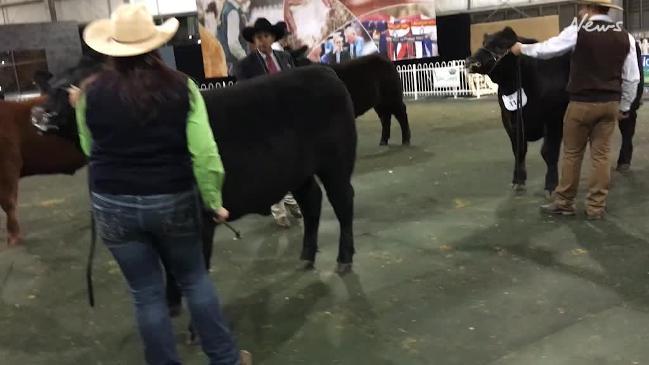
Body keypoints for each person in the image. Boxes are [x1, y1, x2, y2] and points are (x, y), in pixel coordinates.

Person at [73, 4, 251, 364]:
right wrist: (214, 200)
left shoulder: (89, 94)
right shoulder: (182, 87)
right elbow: (204, 154)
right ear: (155, 46)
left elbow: (91, 148)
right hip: (171, 200)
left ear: (112, 48)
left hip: (112, 205)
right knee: (194, 281)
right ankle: (225, 359)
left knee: (145, 294)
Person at [510, 0, 640, 220]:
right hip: (609, 105)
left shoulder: (579, 30)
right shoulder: (624, 35)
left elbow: (548, 49)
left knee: (572, 154)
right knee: (600, 156)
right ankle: (596, 207)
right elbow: (632, 77)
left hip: (581, 103)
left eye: (582, 7)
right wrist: (625, 106)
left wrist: (522, 48)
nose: (580, 11)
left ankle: (565, 202)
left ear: (589, 8)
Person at [234, 18, 302, 228]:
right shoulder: (245, 66)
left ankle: (290, 199)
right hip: (263, 122)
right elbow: (243, 94)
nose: (263, 40)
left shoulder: (285, 58)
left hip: (288, 119)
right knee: (272, 166)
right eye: (258, 37)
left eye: (266, 36)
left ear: (273, 38)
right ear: (254, 41)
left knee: (291, 162)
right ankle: (277, 207)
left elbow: (295, 84)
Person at [617, 40, 644, 172]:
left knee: (627, 129)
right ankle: (624, 160)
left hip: (625, 89)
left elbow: (636, 72)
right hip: (618, 89)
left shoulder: (630, 41)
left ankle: (624, 159)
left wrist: (636, 97)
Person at [217, 0, 249, 74]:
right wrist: (246, 59)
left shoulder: (226, 7)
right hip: (236, 64)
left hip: (228, 63)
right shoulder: (232, 12)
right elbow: (233, 44)